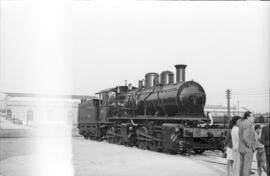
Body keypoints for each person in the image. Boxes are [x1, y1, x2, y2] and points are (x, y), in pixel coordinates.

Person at [239, 111, 256, 176]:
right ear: (248, 117)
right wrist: (250, 145)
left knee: (242, 166)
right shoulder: (248, 124)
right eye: (252, 116)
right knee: (247, 167)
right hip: (247, 149)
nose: (253, 117)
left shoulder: (241, 123)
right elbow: (245, 136)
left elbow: (241, 135)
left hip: (241, 148)